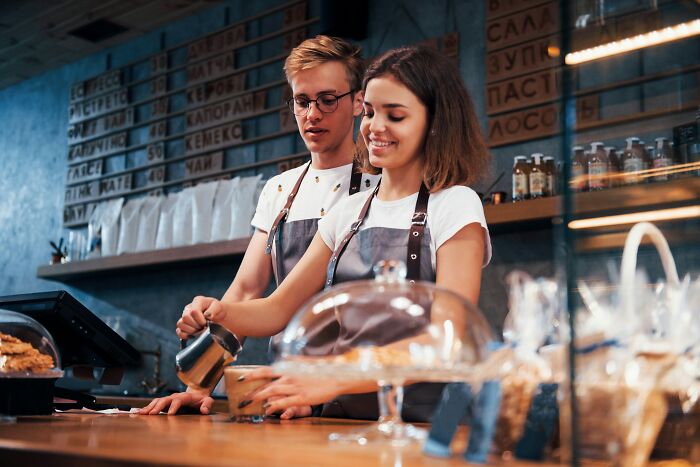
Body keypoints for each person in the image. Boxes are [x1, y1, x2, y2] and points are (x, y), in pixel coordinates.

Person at [175, 45, 492, 421]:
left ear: (435, 122)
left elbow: (448, 340)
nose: (375, 127)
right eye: (372, 112)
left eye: (396, 115)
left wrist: (332, 376)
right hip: (341, 420)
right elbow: (277, 309)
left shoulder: (455, 205)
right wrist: (219, 311)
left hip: (423, 425)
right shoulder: (347, 212)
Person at [140, 35, 380, 416]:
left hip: (367, 391)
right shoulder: (280, 190)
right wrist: (200, 384)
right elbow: (247, 292)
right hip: (288, 394)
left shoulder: (384, 185)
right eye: (302, 101)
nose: (312, 115)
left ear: (357, 103)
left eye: (327, 99)